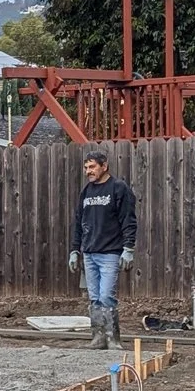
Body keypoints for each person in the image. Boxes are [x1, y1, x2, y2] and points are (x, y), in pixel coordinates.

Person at [67, 149, 138, 347]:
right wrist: (75, 250)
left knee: (107, 296)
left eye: (92, 167)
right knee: (94, 297)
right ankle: (98, 338)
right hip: (89, 253)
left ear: (104, 166)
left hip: (110, 253)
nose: (88, 171)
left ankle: (112, 338)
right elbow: (79, 222)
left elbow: (128, 220)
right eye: (86, 167)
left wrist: (128, 248)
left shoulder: (118, 188)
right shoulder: (86, 192)